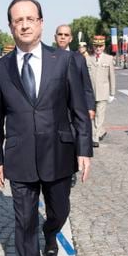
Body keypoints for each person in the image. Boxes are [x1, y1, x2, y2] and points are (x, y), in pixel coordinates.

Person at [0, 0, 92, 256]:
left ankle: (52, 233)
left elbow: (78, 109)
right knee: (23, 225)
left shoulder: (64, 61)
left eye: (31, 18)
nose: (25, 24)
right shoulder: (0, 68)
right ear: (11, 26)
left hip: (59, 154)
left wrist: (84, 149)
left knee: (59, 211)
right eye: (18, 20)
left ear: (42, 23)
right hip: (19, 159)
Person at [54, 24, 95, 188]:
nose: (63, 37)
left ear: (71, 38)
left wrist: (90, 106)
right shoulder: (49, 57)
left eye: (66, 35)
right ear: (55, 37)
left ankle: (70, 171)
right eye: (60, 34)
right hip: (56, 108)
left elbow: (86, 85)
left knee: (73, 139)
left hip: (74, 109)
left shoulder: (78, 58)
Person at [86, 35, 115, 147]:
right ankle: (100, 131)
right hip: (90, 93)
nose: (98, 48)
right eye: (96, 46)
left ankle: (95, 137)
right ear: (93, 46)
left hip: (103, 92)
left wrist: (112, 93)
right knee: (91, 116)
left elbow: (111, 76)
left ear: (104, 47)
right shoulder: (88, 59)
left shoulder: (109, 59)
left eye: (100, 46)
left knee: (100, 115)